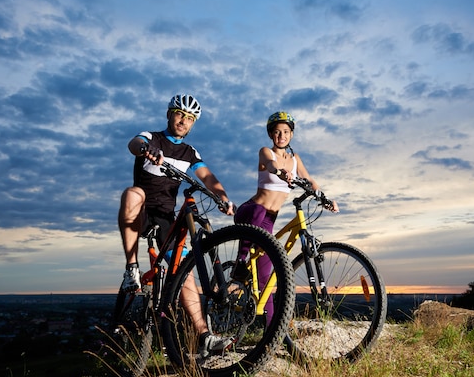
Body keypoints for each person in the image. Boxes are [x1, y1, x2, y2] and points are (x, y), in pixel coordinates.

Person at [118, 94, 234, 356]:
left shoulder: (189, 152)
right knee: (132, 193)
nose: (183, 121)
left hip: (166, 217)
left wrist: (223, 197)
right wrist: (148, 150)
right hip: (142, 209)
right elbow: (134, 143)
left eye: (190, 118)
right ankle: (131, 268)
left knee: (184, 274)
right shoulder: (152, 137)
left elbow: (208, 176)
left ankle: (204, 336)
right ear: (169, 114)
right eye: (180, 114)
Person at [234, 111, 339, 325]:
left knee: (267, 279)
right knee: (259, 211)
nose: (281, 135)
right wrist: (280, 172)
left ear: (291, 134)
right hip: (250, 211)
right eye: (277, 132)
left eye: (285, 132)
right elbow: (270, 165)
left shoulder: (294, 160)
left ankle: (274, 332)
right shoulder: (266, 152)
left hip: (268, 222)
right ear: (271, 135)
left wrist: (325, 199)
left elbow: (309, 179)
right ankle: (240, 263)